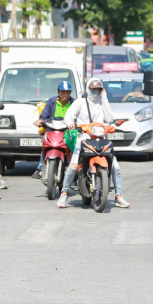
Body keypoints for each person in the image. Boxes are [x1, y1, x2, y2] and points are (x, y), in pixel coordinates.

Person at [57, 78, 129, 209]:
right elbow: (68, 116)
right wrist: (70, 123)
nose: (95, 92)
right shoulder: (80, 102)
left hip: (101, 139)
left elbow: (108, 119)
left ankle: (119, 195)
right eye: (93, 89)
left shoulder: (102, 104)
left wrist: (105, 97)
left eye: (98, 90)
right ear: (87, 89)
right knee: (73, 165)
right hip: (83, 138)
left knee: (116, 166)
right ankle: (64, 192)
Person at [31, 81, 74, 180]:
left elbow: (78, 116)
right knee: (47, 144)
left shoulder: (73, 102)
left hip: (68, 131)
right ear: (58, 92)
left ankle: (75, 170)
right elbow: (44, 116)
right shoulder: (52, 101)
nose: (65, 94)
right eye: (63, 92)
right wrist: (40, 121)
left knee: (75, 147)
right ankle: (40, 168)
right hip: (53, 130)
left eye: (67, 92)